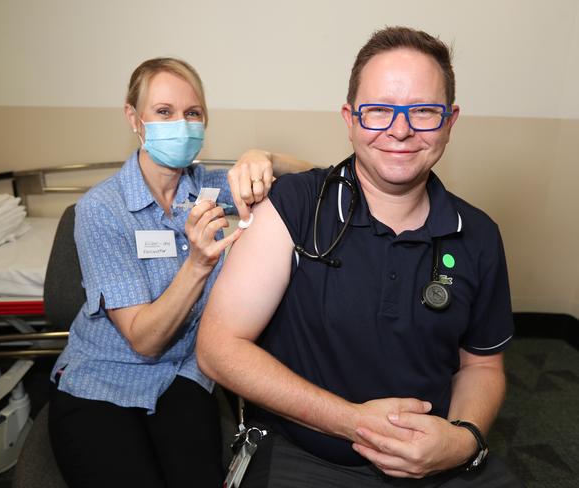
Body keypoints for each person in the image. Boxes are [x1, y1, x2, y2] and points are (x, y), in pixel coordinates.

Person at [197, 27, 522, 487]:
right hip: (308, 451)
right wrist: (351, 421)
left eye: (424, 111)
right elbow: (217, 347)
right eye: (379, 111)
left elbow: (482, 365)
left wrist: (463, 439)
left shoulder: (478, 236)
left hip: (434, 456)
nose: (401, 129)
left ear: (450, 121)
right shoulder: (296, 207)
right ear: (350, 118)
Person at [47, 57, 311, 488]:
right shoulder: (101, 210)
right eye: (164, 112)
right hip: (105, 378)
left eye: (192, 113)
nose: (181, 124)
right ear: (134, 118)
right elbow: (144, 340)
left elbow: (316, 179)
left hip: (185, 375)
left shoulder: (208, 187)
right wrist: (199, 263)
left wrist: (262, 157)